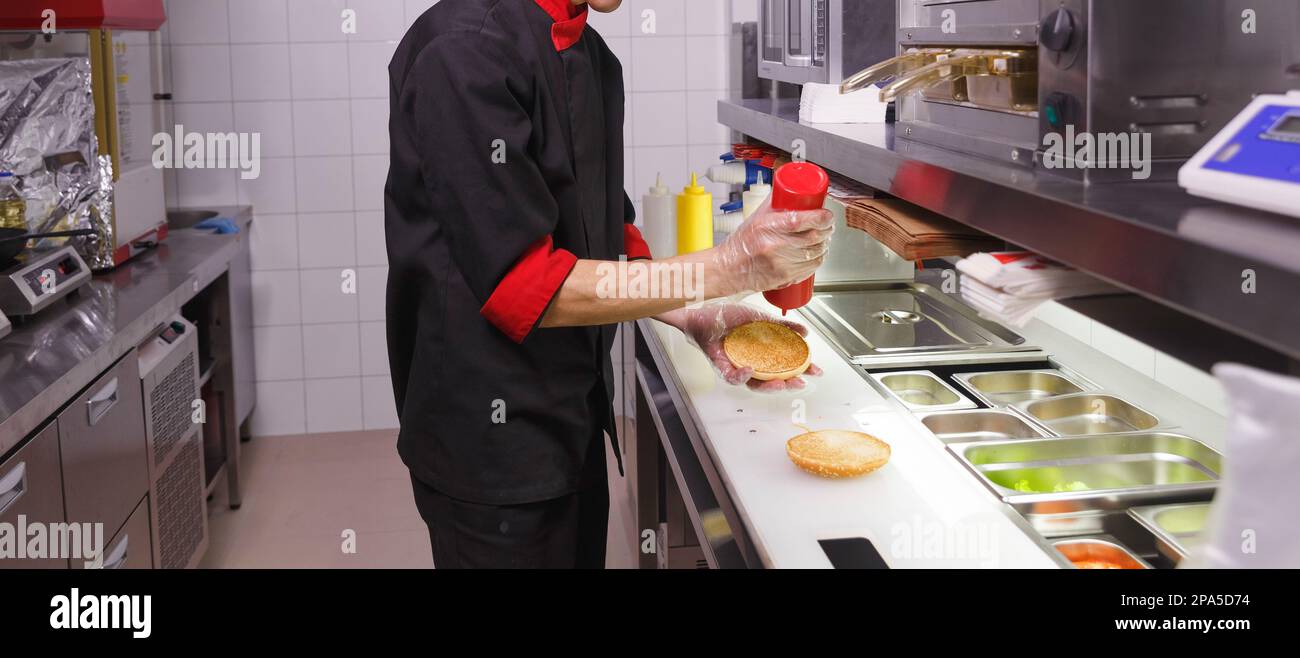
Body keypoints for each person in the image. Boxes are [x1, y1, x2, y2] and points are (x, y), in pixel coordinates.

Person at [386, 0, 833, 568]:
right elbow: (524, 284)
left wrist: (694, 312)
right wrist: (728, 266)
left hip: (572, 414)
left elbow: (607, 236)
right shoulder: (462, 50)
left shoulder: (595, 58)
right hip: (489, 437)